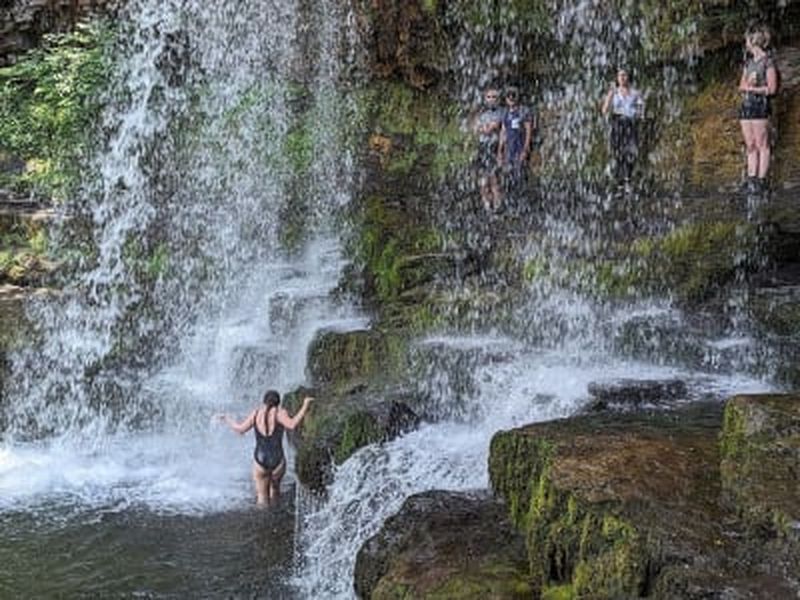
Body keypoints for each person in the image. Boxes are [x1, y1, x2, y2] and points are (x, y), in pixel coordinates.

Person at [218, 390, 313, 505]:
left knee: (262, 497)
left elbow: (240, 429)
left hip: (260, 459)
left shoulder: (256, 413)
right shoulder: (280, 413)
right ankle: (276, 514)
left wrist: (227, 419)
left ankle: (263, 515)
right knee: (275, 492)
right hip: (278, 459)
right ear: (278, 402)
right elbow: (292, 425)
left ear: (264, 401)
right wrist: (305, 405)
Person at [738, 24, 778, 193]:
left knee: (762, 144)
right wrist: (749, 84)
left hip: (760, 106)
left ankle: (762, 181)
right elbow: (741, 86)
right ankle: (751, 179)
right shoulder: (748, 63)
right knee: (750, 144)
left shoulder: (768, 62)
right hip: (746, 105)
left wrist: (754, 88)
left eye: (747, 40)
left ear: (753, 41)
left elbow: (772, 89)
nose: (745, 43)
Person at [601, 68, 644, 189]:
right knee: (617, 152)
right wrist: (609, 97)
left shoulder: (635, 93)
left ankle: (628, 178)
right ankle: (619, 179)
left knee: (631, 151)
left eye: (624, 75)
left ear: (628, 77)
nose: (622, 78)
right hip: (617, 122)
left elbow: (641, 109)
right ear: (617, 78)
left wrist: (639, 116)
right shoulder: (613, 93)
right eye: (620, 75)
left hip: (630, 123)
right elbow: (604, 110)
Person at [473, 85, 505, 211]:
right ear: (485, 98)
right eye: (489, 97)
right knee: (482, 177)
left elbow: (490, 128)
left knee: (493, 177)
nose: (491, 99)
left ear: (498, 99)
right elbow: (475, 129)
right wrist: (482, 128)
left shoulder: (501, 112)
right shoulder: (482, 113)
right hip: (482, 147)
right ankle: (486, 203)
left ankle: (497, 204)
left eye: (494, 97)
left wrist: (483, 127)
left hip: (493, 146)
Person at [498, 86, 534, 192]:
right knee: (508, 173)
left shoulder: (523, 111)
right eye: (508, 96)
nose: (511, 98)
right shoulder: (505, 113)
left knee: (521, 172)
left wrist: (526, 148)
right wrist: (500, 150)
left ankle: (524, 194)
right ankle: (510, 195)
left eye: (513, 95)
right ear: (505, 98)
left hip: (520, 145)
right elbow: (503, 132)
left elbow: (528, 130)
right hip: (509, 147)